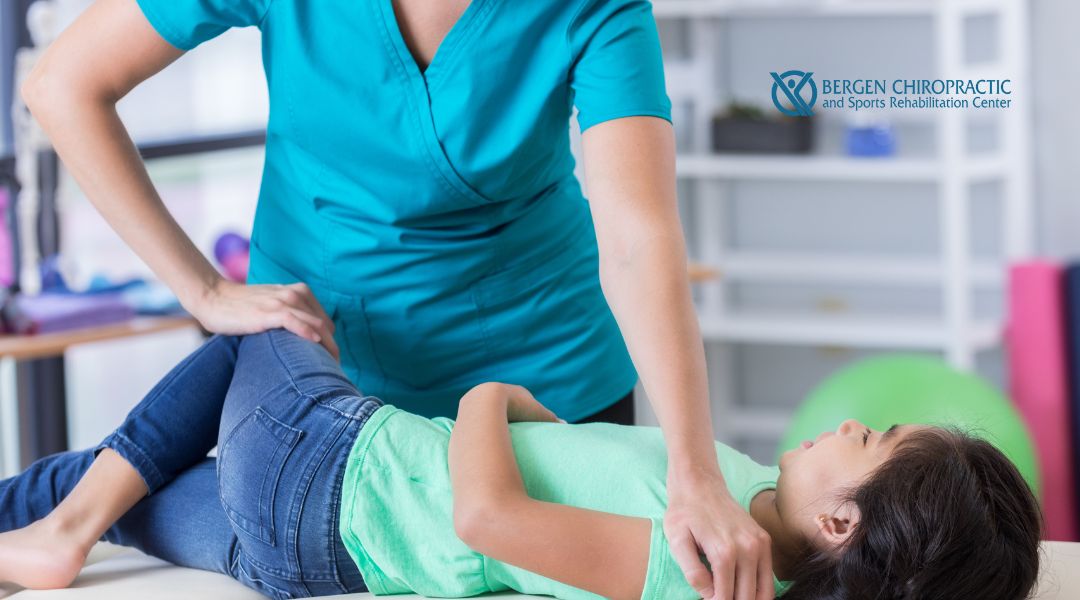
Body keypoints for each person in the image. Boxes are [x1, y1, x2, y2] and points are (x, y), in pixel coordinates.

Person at [20, 1, 766, 595]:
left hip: (549, 385)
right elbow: (64, 85)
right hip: (328, 376)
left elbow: (636, 236)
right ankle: (59, 522)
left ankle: (63, 521)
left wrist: (694, 470)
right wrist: (203, 289)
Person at [0, 330, 1042, 599]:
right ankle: (60, 532)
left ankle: (64, 533)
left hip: (338, 473)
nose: (845, 422)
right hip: (307, 553)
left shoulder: (693, 562)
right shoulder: (735, 497)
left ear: (842, 524)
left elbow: (486, 520)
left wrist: (489, 397)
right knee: (100, 484)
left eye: (868, 439)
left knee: (257, 333)